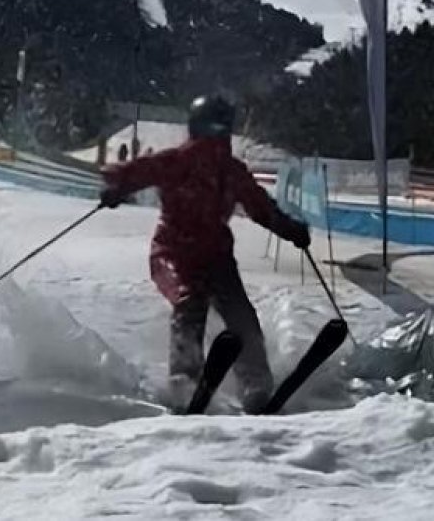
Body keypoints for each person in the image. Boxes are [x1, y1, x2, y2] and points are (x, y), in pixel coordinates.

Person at [99, 95, 311, 413]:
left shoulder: (231, 170)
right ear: (198, 129)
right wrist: (117, 188)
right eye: (212, 128)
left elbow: (260, 208)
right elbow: (135, 171)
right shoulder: (180, 160)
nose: (216, 137)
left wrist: (290, 229)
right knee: (190, 301)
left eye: (222, 129)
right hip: (174, 254)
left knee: (240, 315)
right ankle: (185, 380)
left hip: (216, 256)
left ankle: (255, 384)